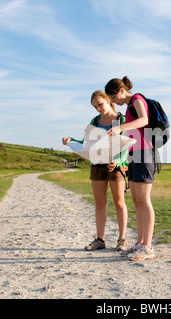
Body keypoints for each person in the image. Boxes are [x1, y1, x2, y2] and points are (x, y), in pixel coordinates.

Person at [62, 90, 129, 252]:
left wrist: (117, 162)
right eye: (95, 106)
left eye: (100, 104)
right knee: (99, 204)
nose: (98, 108)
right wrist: (71, 140)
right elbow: (87, 143)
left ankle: (122, 239)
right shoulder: (95, 120)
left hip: (116, 167)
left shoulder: (121, 120)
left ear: (108, 100)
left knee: (119, 202)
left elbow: (126, 146)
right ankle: (100, 239)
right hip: (97, 166)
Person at [105, 76, 157, 261]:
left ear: (121, 91)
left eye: (113, 99)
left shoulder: (136, 99)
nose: (114, 103)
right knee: (136, 201)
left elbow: (144, 120)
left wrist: (121, 128)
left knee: (144, 200)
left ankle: (148, 247)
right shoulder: (128, 107)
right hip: (134, 154)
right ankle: (140, 244)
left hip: (145, 153)